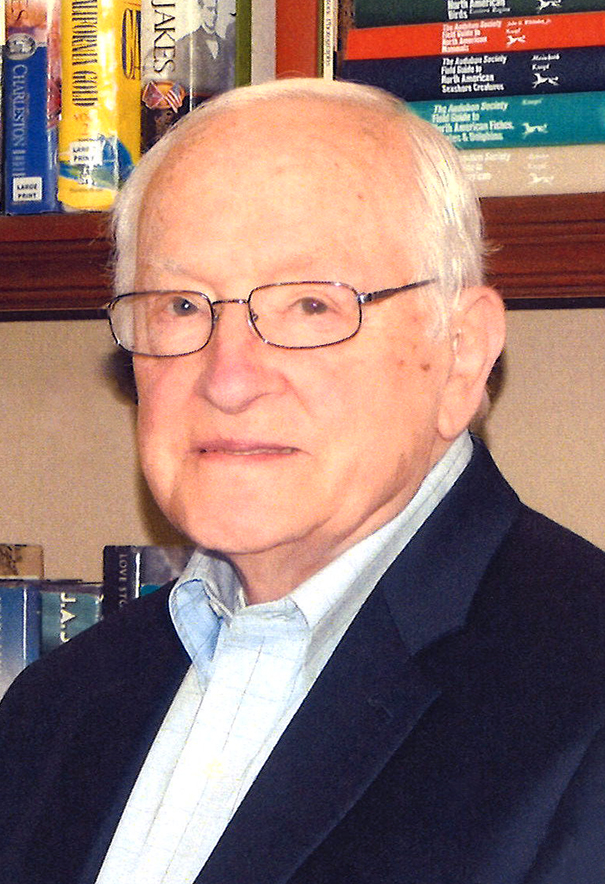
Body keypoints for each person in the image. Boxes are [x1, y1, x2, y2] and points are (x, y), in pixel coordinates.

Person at [2, 78, 605, 884]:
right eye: (180, 306)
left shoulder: (581, 693)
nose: (228, 378)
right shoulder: (57, 704)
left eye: (312, 307)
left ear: (461, 353)